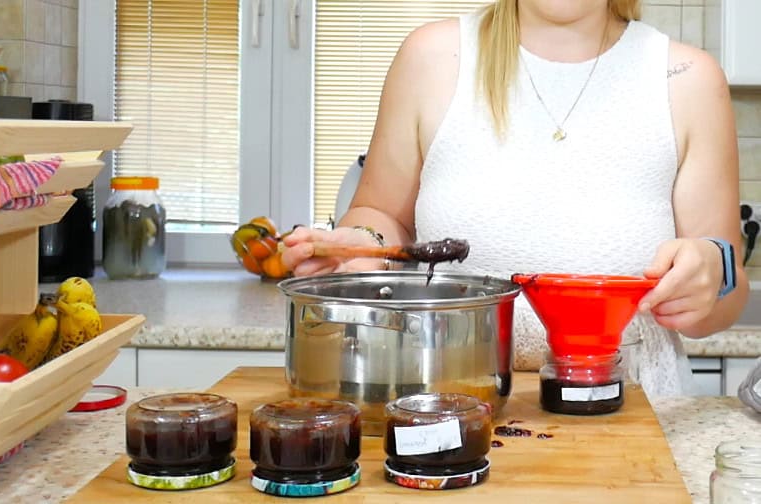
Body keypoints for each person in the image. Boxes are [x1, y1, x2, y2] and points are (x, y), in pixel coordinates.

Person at [280, 0, 748, 398]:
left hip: (637, 408)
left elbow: (728, 287)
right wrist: (361, 245)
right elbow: (380, 214)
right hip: (456, 397)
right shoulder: (432, 58)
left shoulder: (688, 78)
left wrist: (709, 277)